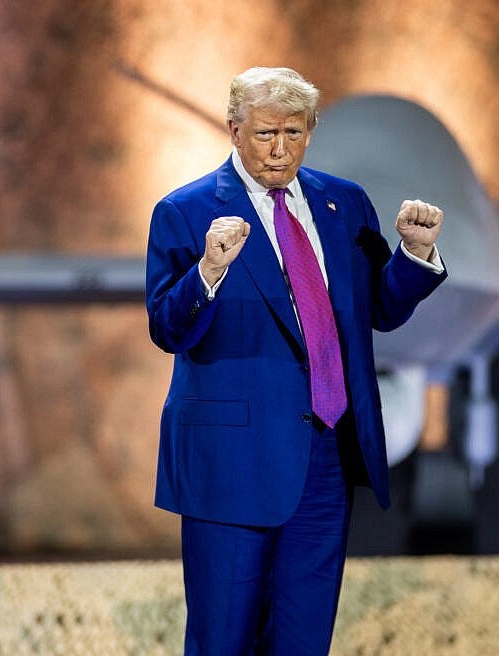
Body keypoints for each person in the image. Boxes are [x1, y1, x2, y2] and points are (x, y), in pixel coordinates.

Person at [145, 66, 446, 655]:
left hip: (325, 460)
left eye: (293, 132)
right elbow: (167, 329)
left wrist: (414, 255)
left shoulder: (345, 204)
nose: (279, 149)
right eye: (265, 134)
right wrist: (208, 271)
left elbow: (379, 310)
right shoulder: (185, 212)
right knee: (222, 641)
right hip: (230, 465)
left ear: (310, 131)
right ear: (235, 130)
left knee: (303, 642)